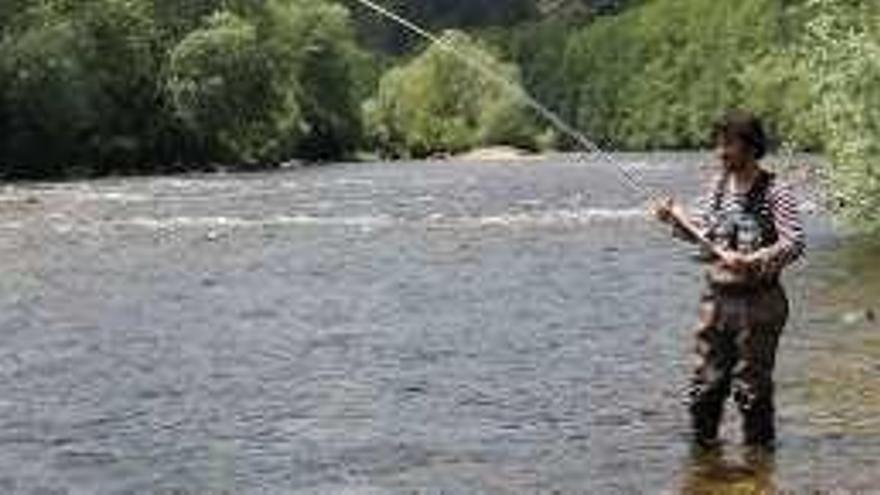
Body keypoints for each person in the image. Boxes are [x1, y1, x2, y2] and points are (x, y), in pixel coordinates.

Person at [653, 110, 805, 449]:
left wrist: (753, 260)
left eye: (729, 145)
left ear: (751, 148)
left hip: (760, 303)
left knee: (751, 390)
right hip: (716, 300)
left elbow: (794, 242)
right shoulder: (717, 186)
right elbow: (704, 236)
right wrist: (674, 221)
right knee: (705, 386)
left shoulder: (776, 191)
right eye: (718, 144)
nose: (720, 152)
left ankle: (759, 465)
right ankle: (704, 461)